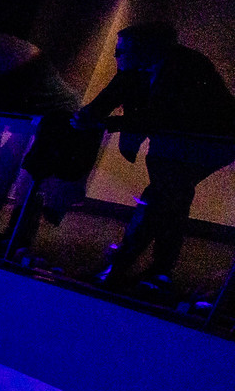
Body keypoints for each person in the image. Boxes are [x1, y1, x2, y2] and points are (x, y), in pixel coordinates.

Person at [76, 21, 235, 286]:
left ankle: (127, 266)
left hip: (210, 142)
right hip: (178, 141)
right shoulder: (136, 66)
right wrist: (87, 116)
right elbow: (111, 96)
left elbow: (165, 117)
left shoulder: (186, 66)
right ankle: (157, 271)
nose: (116, 56)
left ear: (147, 49)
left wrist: (104, 123)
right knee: (171, 197)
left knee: (162, 194)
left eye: (121, 51)